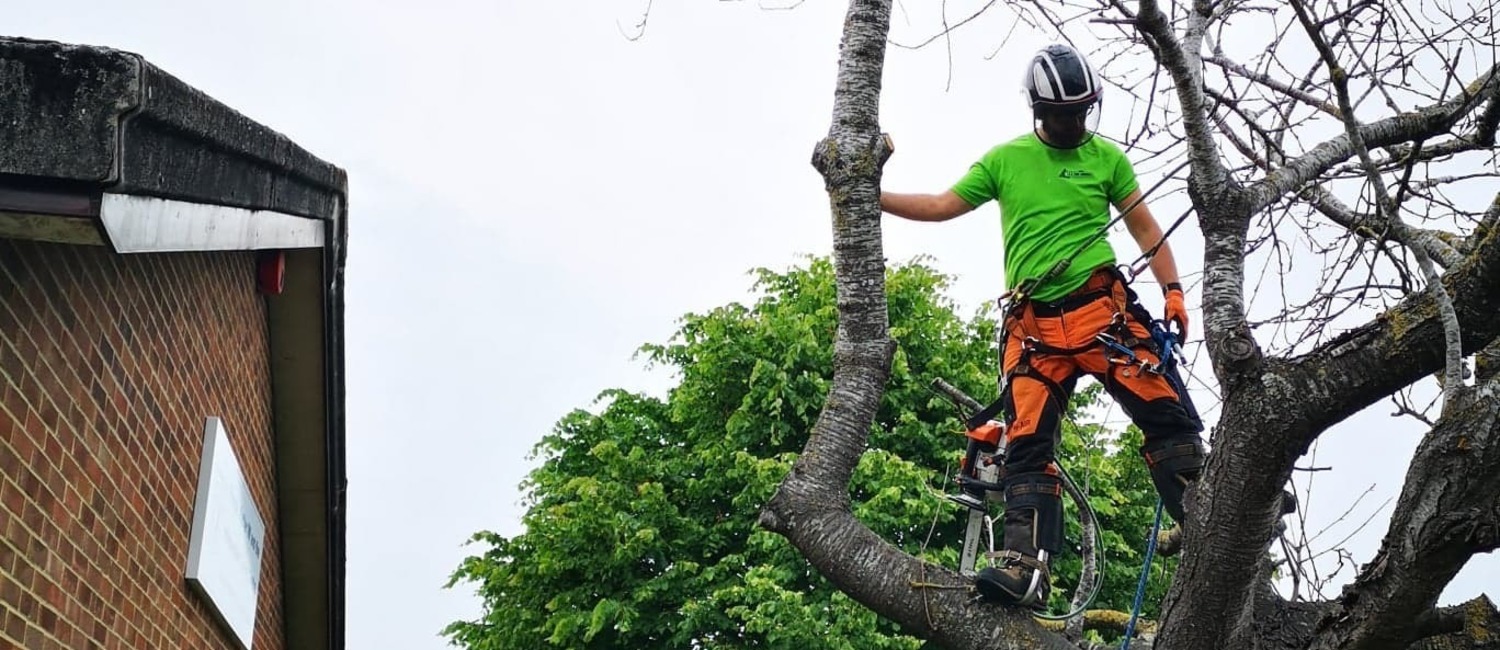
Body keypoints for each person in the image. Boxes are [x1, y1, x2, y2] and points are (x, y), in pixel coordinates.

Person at [880, 43, 1206, 609]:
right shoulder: (1006, 161)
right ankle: (1022, 567)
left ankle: (1208, 506)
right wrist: (869, 197)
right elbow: (939, 204)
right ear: (1039, 111)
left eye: (1082, 111)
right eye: (1063, 113)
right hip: (1034, 332)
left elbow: (1147, 233)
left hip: (1103, 313)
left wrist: (1173, 289)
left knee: (1164, 409)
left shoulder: (1106, 159)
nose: (1074, 122)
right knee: (1026, 445)